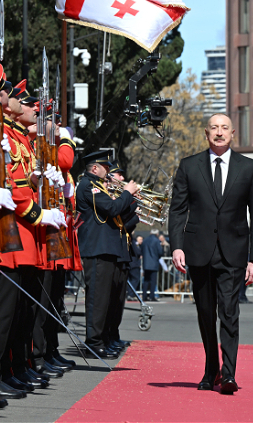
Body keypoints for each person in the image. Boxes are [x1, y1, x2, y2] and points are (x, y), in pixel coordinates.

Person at [168, 113, 253, 395]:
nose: (219, 133)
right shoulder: (189, 166)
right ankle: (211, 369)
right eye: (214, 128)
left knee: (230, 313)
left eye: (224, 128)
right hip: (198, 252)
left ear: (233, 133)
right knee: (206, 314)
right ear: (206, 133)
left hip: (233, 253)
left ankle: (229, 373)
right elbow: (177, 210)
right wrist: (176, 246)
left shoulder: (249, 168)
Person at [75, 150, 138, 359]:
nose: (109, 172)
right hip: (97, 248)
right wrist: (127, 193)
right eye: (106, 167)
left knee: (106, 300)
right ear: (95, 168)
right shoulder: (89, 186)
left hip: (106, 248)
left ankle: (102, 340)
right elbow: (111, 208)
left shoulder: (98, 186)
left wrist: (130, 199)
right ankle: (94, 343)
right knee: (97, 299)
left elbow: (117, 213)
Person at [142, 230, 162, 301]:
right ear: (157, 233)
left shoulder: (145, 240)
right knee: (153, 281)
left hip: (146, 263)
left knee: (146, 280)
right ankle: (151, 296)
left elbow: (142, 250)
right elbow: (160, 252)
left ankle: (144, 296)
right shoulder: (156, 241)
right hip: (154, 263)